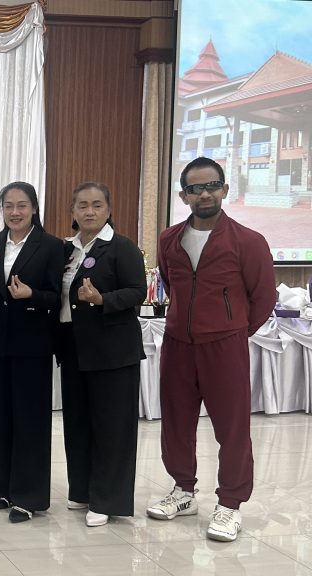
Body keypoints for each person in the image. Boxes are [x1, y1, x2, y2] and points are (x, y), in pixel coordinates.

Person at [147, 156, 275, 542]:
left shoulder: (248, 241)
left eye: (211, 186)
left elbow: (263, 296)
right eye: (195, 188)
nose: (204, 194)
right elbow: (170, 282)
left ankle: (230, 504)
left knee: (232, 427)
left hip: (225, 345)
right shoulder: (169, 239)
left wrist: (233, 330)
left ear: (224, 189)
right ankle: (183, 490)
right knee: (176, 422)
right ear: (183, 196)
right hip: (178, 344)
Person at [0, 181, 63, 523]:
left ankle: (29, 496)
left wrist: (31, 295)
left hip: (33, 345)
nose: (15, 212)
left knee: (30, 420)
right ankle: (2, 488)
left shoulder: (51, 246)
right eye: (8, 205)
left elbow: (57, 296)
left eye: (22, 205)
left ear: (34, 208)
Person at [57, 181, 145, 527]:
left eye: (96, 205)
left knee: (112, 428)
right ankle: (82, 490)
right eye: (82, 205)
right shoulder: (66, 249)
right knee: (78, 422)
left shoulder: (121, 247)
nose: (89, 211)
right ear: (73, 211)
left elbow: (137, 291)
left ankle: (108, 499)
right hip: (74, 348)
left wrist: (102, 299)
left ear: (108, 210)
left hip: (113, 351)